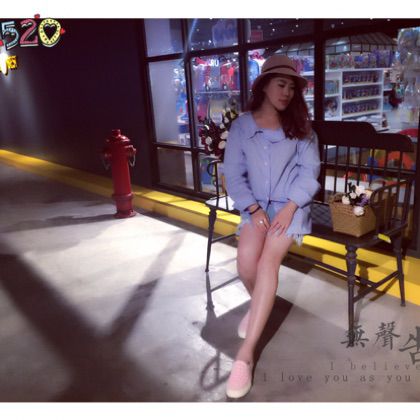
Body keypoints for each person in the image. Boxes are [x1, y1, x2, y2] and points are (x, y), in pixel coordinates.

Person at [223, 54, 321, 399]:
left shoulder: (302, 129)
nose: (287, 92)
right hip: (256, 207)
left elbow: (309, 174)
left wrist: (291, 207)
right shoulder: (242, 127)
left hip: (291, 207)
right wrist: (251, 207)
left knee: (267, 264)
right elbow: (233, 174)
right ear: (264, 85)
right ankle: (259, 306)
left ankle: (245, 355)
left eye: (292, 87)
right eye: (281, 84)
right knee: (245, 263)